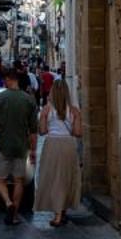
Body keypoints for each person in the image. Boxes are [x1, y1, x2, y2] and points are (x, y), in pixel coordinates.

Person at [0, 65, 37, 225]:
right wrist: (33, 150)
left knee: (0, 179)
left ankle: (8, 203)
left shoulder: (0, 98)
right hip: (21, 145)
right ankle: (14, 215)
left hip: (3, 144)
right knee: (19, 180)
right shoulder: (29, 100)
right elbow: (33, 129)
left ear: (8, 80)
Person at [35, 77, 81, 228]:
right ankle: (63, 210)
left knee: (52, 178)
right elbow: (77, 132)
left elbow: (42, 131)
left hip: (52, 145)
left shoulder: (47, 110)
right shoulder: (74, 110)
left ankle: (57, 215)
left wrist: (43, 118)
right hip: (68, 145)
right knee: (67, 177)